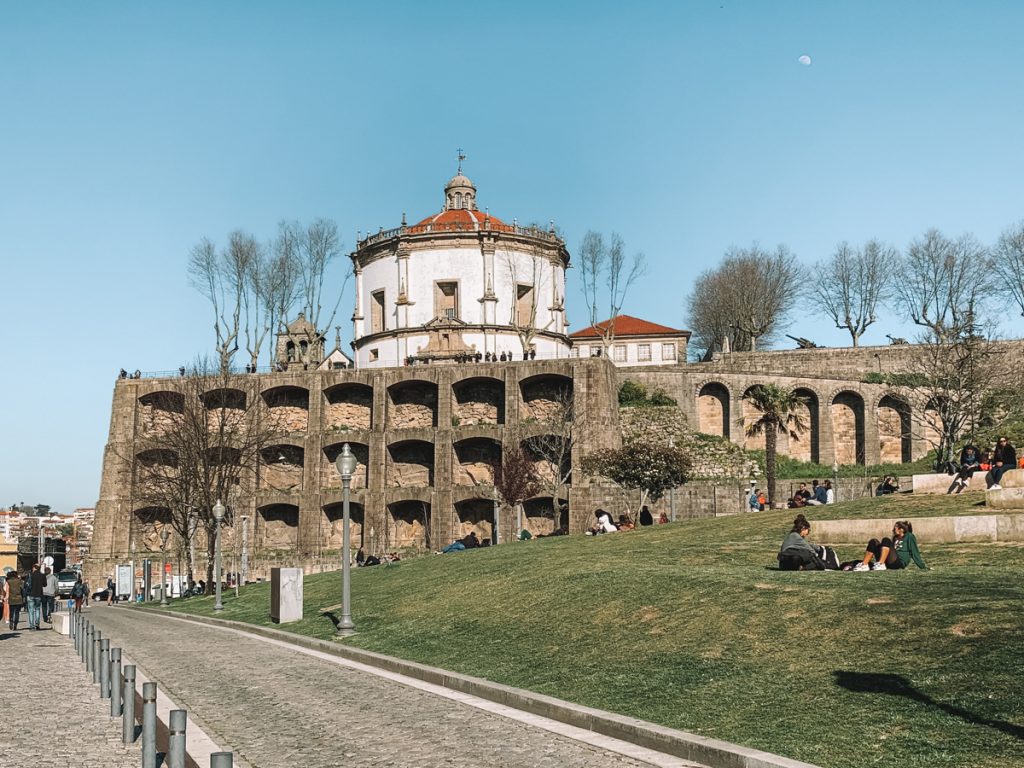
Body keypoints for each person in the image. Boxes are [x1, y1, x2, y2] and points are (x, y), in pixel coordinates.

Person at [851, 520, 928, 571]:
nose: (893, 530)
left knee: (886, 540)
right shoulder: (895, 538)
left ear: (902, 529)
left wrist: (923, 567)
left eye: (895, 528)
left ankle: (881, 564)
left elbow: (914, 552)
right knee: (874, 541)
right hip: (888, 562)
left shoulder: (909, 536)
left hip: (898, 563)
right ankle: (864, 564)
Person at [26, 564, 44, 630]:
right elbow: (45, 584)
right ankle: (37, 624)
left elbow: (26, 584)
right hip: (39, 595)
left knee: (31, 611)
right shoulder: (42, 575)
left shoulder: (30, 575)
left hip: (30, 595)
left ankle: (31, 626)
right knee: (37, 609)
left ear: (34, 568)